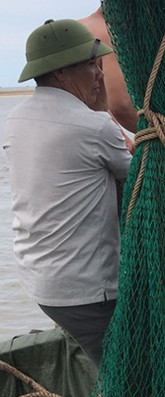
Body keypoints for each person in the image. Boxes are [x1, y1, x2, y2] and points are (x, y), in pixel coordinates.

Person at [4, 19, 133, 367]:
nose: (100, 74)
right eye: (91, 64)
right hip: (86, 289)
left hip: (40, 280)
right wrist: (103, 110)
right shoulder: (94, 125)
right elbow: (139, 176)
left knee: (114, 367)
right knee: (130, 376)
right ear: (60, 72)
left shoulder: (15, 119)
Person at [79, 5, 139, 135]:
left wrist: (124, 138)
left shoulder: (78, 27)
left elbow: (97, 104)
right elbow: (122, 106)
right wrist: (164, 136)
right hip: (87, 135)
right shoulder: (109, 33)